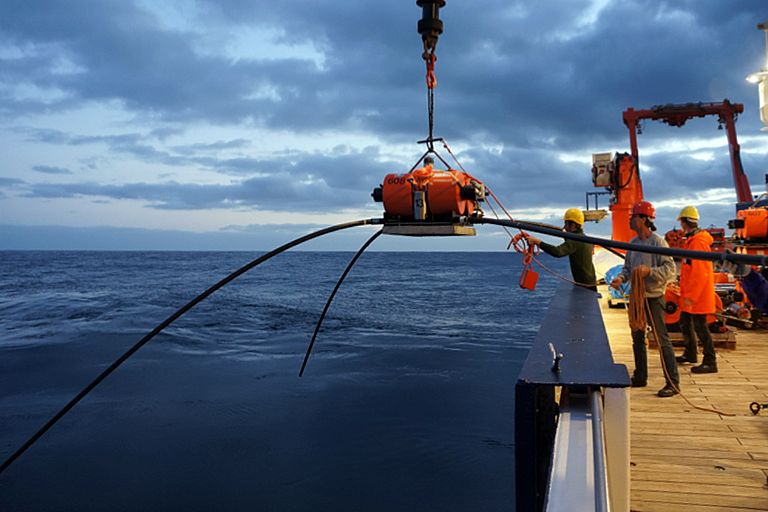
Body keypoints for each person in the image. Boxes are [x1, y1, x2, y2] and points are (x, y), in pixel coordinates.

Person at [610, 200, 679, 397]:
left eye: (633, 216)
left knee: (661, 339)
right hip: (637, 298)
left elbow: (670, 269)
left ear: (644, 219)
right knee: (637, 337)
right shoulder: (633, 244)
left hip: (654, 298)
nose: (630, 220)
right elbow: (627, 269)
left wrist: (649, 271)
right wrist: (620, 278)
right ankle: (640, 376)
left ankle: (673, 382)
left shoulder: (658, 243)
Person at [674, 206, 718, 373]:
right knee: (684, 321)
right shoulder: (692, 241)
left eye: (682, 223)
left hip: (697, 295)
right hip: (691, 293)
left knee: (700, 326)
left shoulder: (698, 243)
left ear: (686, 222)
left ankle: (710, 361)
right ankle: (691, 353)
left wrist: (690, 296)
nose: (681, 227)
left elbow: (700, 272)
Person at [526, 208, 597, 291]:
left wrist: (537, 242)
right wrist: (565, 235)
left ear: (573, 225)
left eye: (566, 224)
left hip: (584, 286)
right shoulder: (585, 239)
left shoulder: (575, 240)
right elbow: (573, 245)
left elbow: (558, 252)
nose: (564, 227)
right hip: (590, 281)